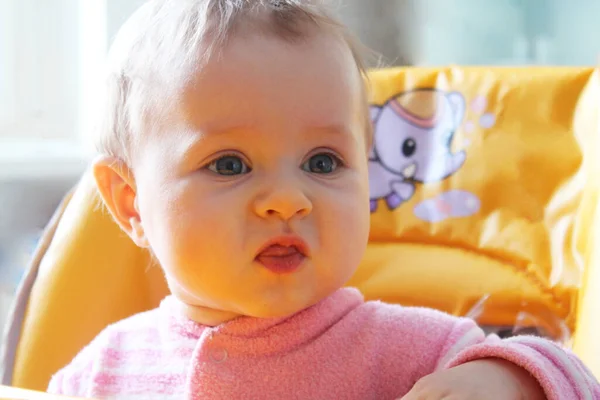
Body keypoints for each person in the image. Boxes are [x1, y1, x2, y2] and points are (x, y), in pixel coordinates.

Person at [47, 0, 600, 398]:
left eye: (323, 162)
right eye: (229, 164)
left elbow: (576, 379)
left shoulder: (410, 349)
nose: (289, 200)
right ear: (131, 203)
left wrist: (509, 380)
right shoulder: (97, 374)